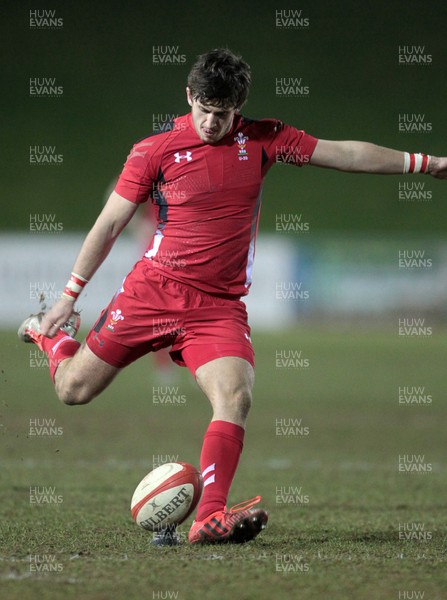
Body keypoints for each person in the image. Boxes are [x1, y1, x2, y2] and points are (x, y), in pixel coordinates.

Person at [18, 48, 447, 546]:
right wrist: (70, 295)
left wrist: (426, 163)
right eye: (202, 108)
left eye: (221, 113)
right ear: (188, 96)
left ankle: (208, 518)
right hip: (152, 291)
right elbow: (110, 223)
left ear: (238, 106)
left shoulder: (264, 139)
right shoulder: (154, 150)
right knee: (73, 391)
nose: (210, 121)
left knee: (236, 396)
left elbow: (344, 153)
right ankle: (52, 341)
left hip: (218, 307)